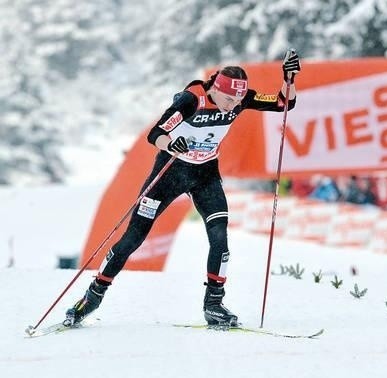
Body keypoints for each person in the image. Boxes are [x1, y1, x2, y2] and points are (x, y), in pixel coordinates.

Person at [65, 50, 301, 328]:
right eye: (228, 100)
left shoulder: (239, 98)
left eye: (238, 101)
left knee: (220, 238)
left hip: (205, 175)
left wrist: (289, 78)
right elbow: (156, 134)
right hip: (171, 172)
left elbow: (284, 103)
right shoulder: (192, 100)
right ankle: (92, 297)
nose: (233, 106)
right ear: (215, 89)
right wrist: (171, 143)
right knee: (133, 239)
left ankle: (213, 304)